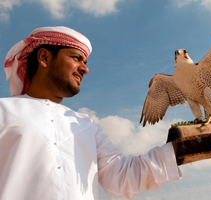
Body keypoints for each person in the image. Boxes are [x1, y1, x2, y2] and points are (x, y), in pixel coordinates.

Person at [0, 26, 181, 200]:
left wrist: (182, 147)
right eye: (77, 58)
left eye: (85, 62)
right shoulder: (4, 111)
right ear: (44, 57)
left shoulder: (86, 125)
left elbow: (122, 176)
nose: (85, 69)